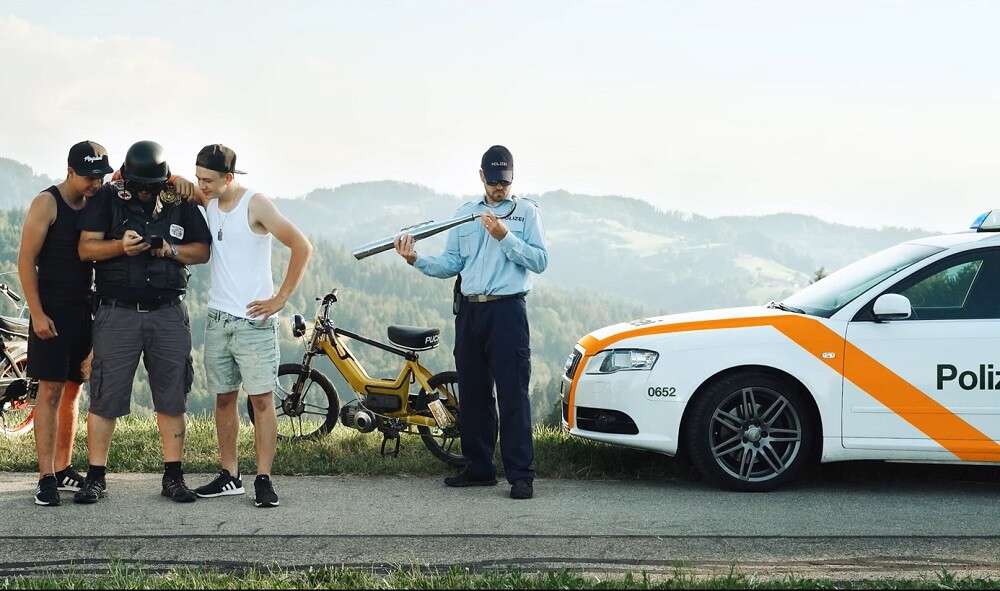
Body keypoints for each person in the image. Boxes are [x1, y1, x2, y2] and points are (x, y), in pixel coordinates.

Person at [394, 145, 547, 499]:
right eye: (493, 181)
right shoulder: (464, 215)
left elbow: (539, 261)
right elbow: (451, 263)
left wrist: (504, 237)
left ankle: (521, 475)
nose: (498, 189)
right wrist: (415, 259)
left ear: (512, 178)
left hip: (508, 311)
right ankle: (479, 468)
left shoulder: (526, 212)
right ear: (481, 177)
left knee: (512, 395)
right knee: (474, 394)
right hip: (471, 311)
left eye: (504, 182)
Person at [174, 144, 312, 508]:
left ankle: (263, 479)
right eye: (199, 177)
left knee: (262, 401)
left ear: (229, 178)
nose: (202, 185)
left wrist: (280, 298)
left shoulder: (256, 204)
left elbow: (302, 246)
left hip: (254, 323)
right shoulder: (208, 200)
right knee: (223, 400)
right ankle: (229, 475)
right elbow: (179, 183)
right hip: (218, 321)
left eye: (209, 180)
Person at [74, 140, 212, 504]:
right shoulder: (107, 197)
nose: (145, 191)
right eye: (139, 185)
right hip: (116, 310)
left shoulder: (179, 199)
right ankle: (96, 476)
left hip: (168, 310)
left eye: (151, 185)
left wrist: (171, 250)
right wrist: (120, 246)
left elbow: (203, 250)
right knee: (104, 396)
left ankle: (173, 477)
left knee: (172, 396)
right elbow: (86, 248)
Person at [17, 141, 113, 506]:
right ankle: (45, 478)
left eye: (100, 176)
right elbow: (26, 260)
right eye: (89, 177)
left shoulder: (98, 198)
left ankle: (62, 467)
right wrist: (37, 313)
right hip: (52, 310)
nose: (95, 183)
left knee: (73, 390)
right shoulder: (47, 202)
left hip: (85, 311)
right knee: (50, 391)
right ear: (70, 170)